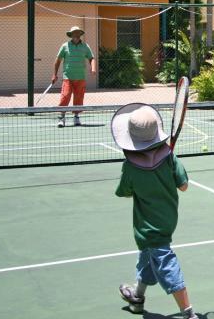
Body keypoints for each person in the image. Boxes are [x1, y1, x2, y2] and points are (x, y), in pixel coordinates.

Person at [112, 103, 198, 319]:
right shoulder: (169, 157)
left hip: (148, 228)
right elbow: (184, 185)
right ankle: (137, 298)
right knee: (146, 258)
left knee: (166, 266)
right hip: (168, 220)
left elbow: (123, 192)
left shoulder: (130, 166)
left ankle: (188, 313)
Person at [52, 26, 96, 128]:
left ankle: (76, 117)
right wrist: (54, 74)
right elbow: (58, 60)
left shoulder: (85, 46)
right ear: (71, 35)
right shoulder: (65, 46)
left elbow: (92, 58)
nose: (76, 34)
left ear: (80, 34)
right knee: (65, 96)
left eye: (77, 33)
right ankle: (61, 118)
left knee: (79, 98)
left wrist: (93, 68)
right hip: (67, 77)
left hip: (80, 77)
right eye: (74, 33)